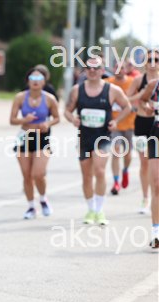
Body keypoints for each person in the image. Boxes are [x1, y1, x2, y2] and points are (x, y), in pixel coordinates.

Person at [64, 57, 132, 226]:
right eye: (89, 68)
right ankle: (91, 209)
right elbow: (67, 110)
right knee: (86, 175)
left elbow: (128, 107)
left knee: (100, 171)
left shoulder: (112, 90)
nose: (92, 70)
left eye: (96, 68)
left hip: (103, 137)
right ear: (85, 70)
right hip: (84, 138)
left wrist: (116, 121)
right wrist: (72, 119)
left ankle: (100, 210)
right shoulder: (77, 90)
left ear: (102, 71)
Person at [10, 67, 60, 219]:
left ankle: (43, 199)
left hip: (42, 138)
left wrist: (47, 124)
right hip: (24, 137)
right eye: (32, 78)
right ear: (28, 81)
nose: (35, 82)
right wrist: (24, 120)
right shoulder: (20, 97)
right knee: (27, 175)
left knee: (38, 174)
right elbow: (12, 120)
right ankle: (31, 207)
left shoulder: (50, 99)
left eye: (39, 79)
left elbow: (57, 118)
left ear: (44, 82)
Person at [127, 49, 159, 214]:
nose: (153, 63)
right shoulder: (139, 80)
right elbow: (126, 98)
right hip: (142, 123)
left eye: (156, 59)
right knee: (145, 162)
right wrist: (140, 95)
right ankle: (145, 198)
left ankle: (155, 197)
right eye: (149, 59)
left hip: (157, 124)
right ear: (144, 62)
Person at [105, 62, 136, 195]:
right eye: (116, 67)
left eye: (121, 68)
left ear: (125, 69)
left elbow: (138, 99)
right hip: (114, 124)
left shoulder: (132, 82)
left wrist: (131, 103)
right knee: (116, 151)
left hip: (129, 123)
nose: (119, 70)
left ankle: (125, 170)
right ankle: (116, 182)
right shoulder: (108, 83)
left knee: (127, 154)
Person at [139, 76, 159, 248]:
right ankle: (156, 233)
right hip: (156, 135)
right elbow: (143, 100)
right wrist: (147, 108)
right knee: (157, 184)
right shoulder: (154, 84)